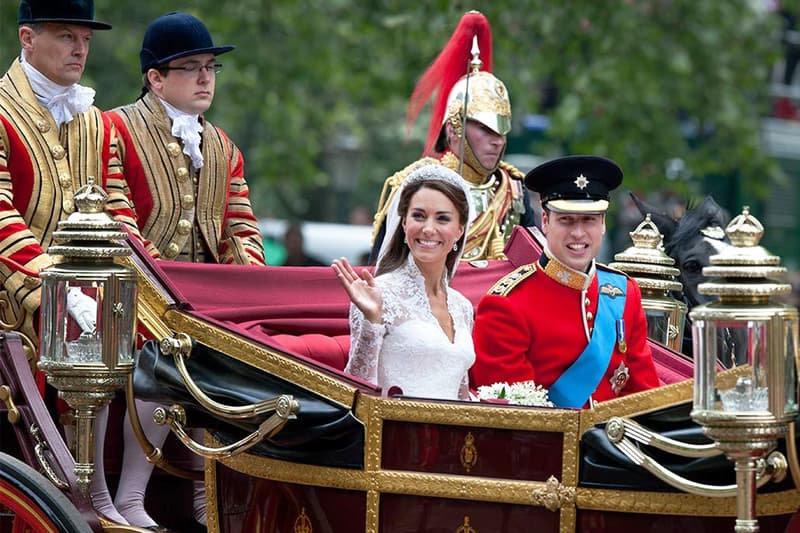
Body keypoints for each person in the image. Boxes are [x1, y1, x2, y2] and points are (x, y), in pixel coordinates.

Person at [106, 11, 266, 530]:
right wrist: (169, 293)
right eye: (191, 68)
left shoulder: (223, 147)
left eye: (211, 68)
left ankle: (209, 491)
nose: (205, 79)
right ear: (155, 78)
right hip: (133, 294)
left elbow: (242, 230)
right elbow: (117, 219)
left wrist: (242, 290)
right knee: (163, 347)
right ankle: (131, 496)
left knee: (242, 346)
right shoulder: (115, 129)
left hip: (207, 305)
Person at [0, 1, 152, 526]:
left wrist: (144, 282)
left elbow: (119, 207)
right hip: (14, 304)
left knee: (153, 343)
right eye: (66, 36)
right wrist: (54, 292)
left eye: (84, 38)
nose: (80, 48)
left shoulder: (94, 119)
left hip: (86, 296)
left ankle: (108, 495)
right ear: (27, 38)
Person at [470, 155, 660, 408]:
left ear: (603, 224)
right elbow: (513, 420)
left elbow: (644, 398)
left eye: (589, 220)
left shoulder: (625, 293)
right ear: (545, 222)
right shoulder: (507, 304)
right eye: (566, 220)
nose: (578, 233)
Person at [370, 11, 536, 264]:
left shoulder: (513, 190)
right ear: (454, 129)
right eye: (486, 130)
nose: (498, 140)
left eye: (501, 131)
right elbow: (383, 268)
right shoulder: (414, 184)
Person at [333, 165, 474, 400]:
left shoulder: (463, 307)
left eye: (442, 219)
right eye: (419, 216)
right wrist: (372, 320)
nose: (428, 229)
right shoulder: (377, 294)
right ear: (404, 223)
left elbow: (461, 395)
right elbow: (356, 393)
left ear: (460, 230)